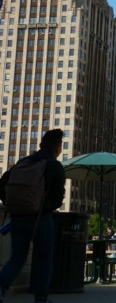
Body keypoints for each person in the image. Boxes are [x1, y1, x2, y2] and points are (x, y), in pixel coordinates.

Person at [0, 129, 65, 303]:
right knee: (44, 258)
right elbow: (58, 198)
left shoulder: (23, 162)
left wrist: (11, 204)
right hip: (40, 218)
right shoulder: (54, 166)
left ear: (41, 145)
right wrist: (44, 206)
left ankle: (0, 287)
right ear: (57, 147)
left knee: (17, 258)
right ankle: (41, 298)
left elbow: (3, 183)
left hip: (17, 217)